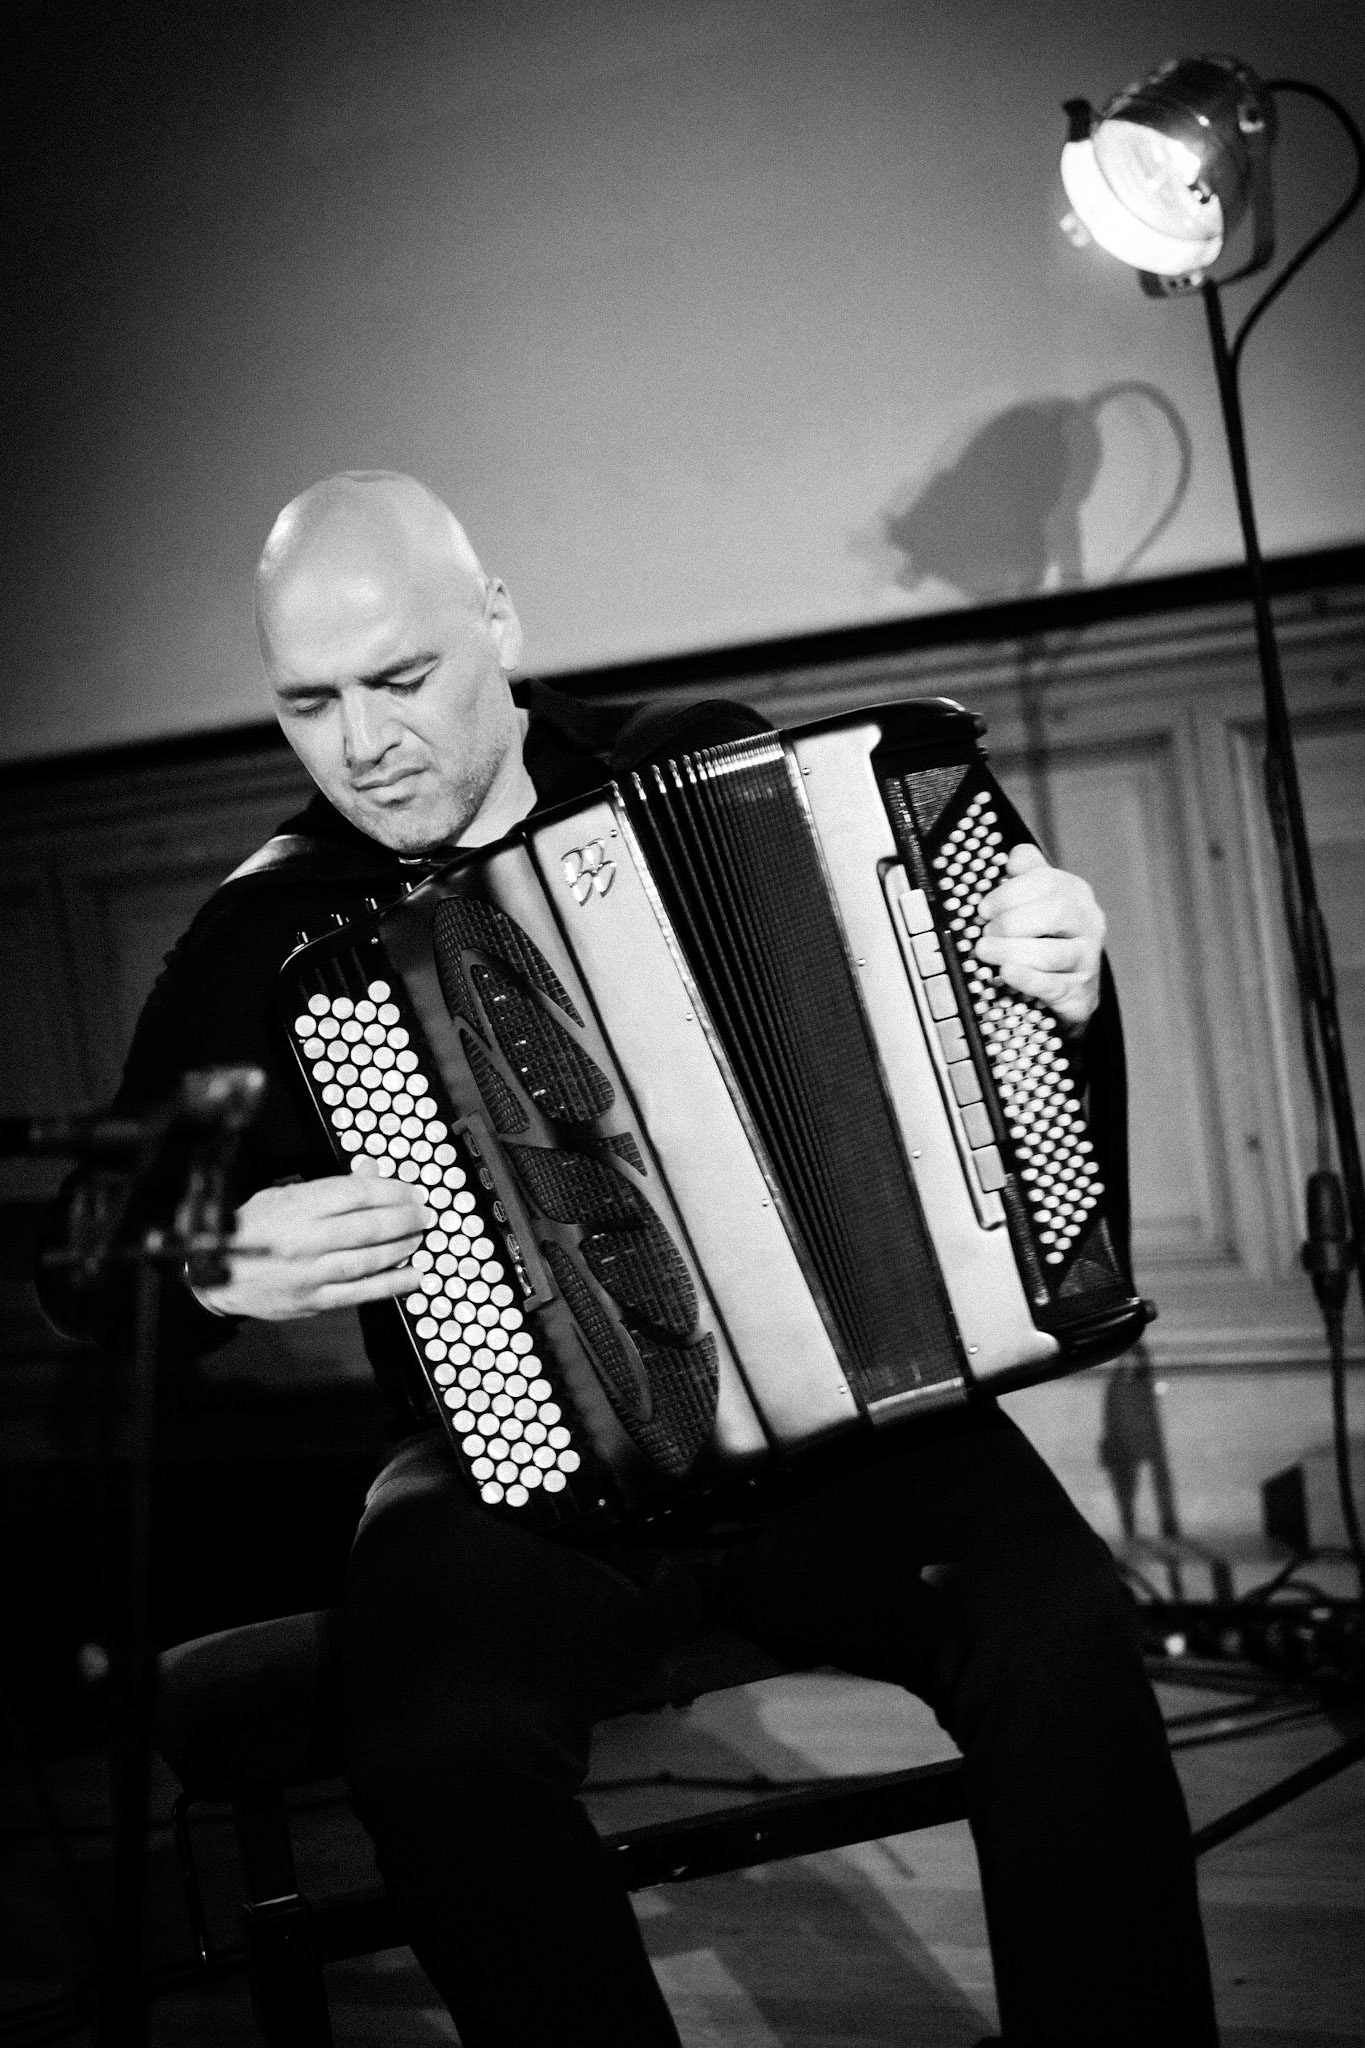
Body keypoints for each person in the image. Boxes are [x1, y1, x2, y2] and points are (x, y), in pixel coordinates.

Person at [41, 472, 1220, 2046]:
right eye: (307, 703)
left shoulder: (695, 764)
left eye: (399, 681)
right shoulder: (268, 933)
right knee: (437, 1742)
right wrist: (204, 1260)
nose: (360, 742)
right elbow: (88, 1249)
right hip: (520, 1474)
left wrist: (1050, 969)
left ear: (500, 625)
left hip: (846, 1429)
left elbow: (950, 988)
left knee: (1061, 1627)